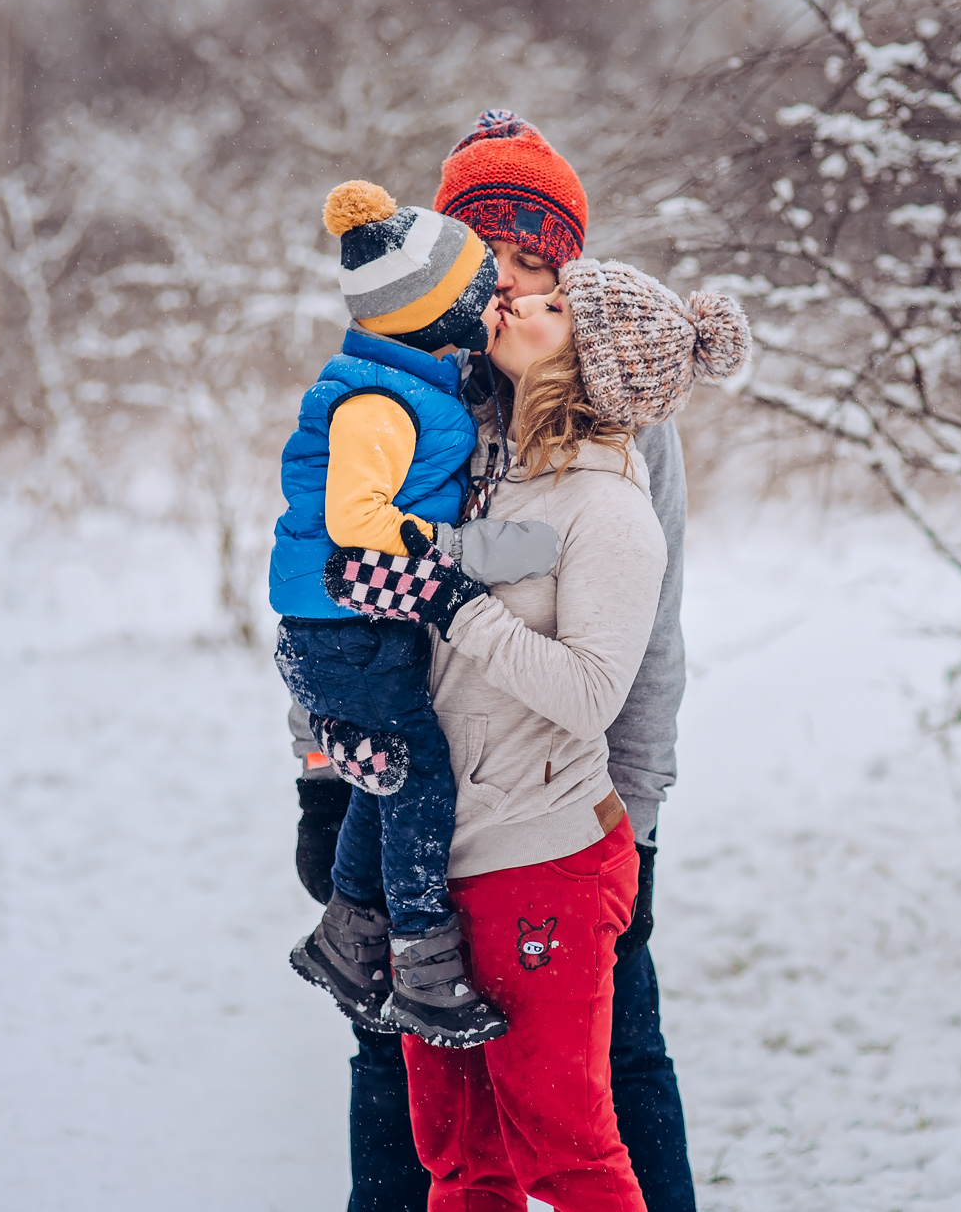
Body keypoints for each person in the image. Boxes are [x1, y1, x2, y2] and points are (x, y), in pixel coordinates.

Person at [290, 111, 701, 1211]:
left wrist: (639, 809)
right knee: (407, 1081)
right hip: (406, 802)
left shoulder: (619, 422)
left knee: (608, 1073)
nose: (515, 285)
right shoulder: (406, 386)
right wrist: (322, 777)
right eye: (494, 257)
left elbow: (640, 631)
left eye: (541, 264)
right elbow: (332, 588)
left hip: (557, 821)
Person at [274, 181, 556, 1047]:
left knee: (392, 765)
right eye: (482, 290)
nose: (497, 301)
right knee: (419, 774)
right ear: (440, 313)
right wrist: (458, 550)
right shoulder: (378, 402)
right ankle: (422, 959)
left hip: (352, 622)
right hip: (343, 624)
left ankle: (347, 942)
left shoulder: (414, 379)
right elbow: (358, 519)